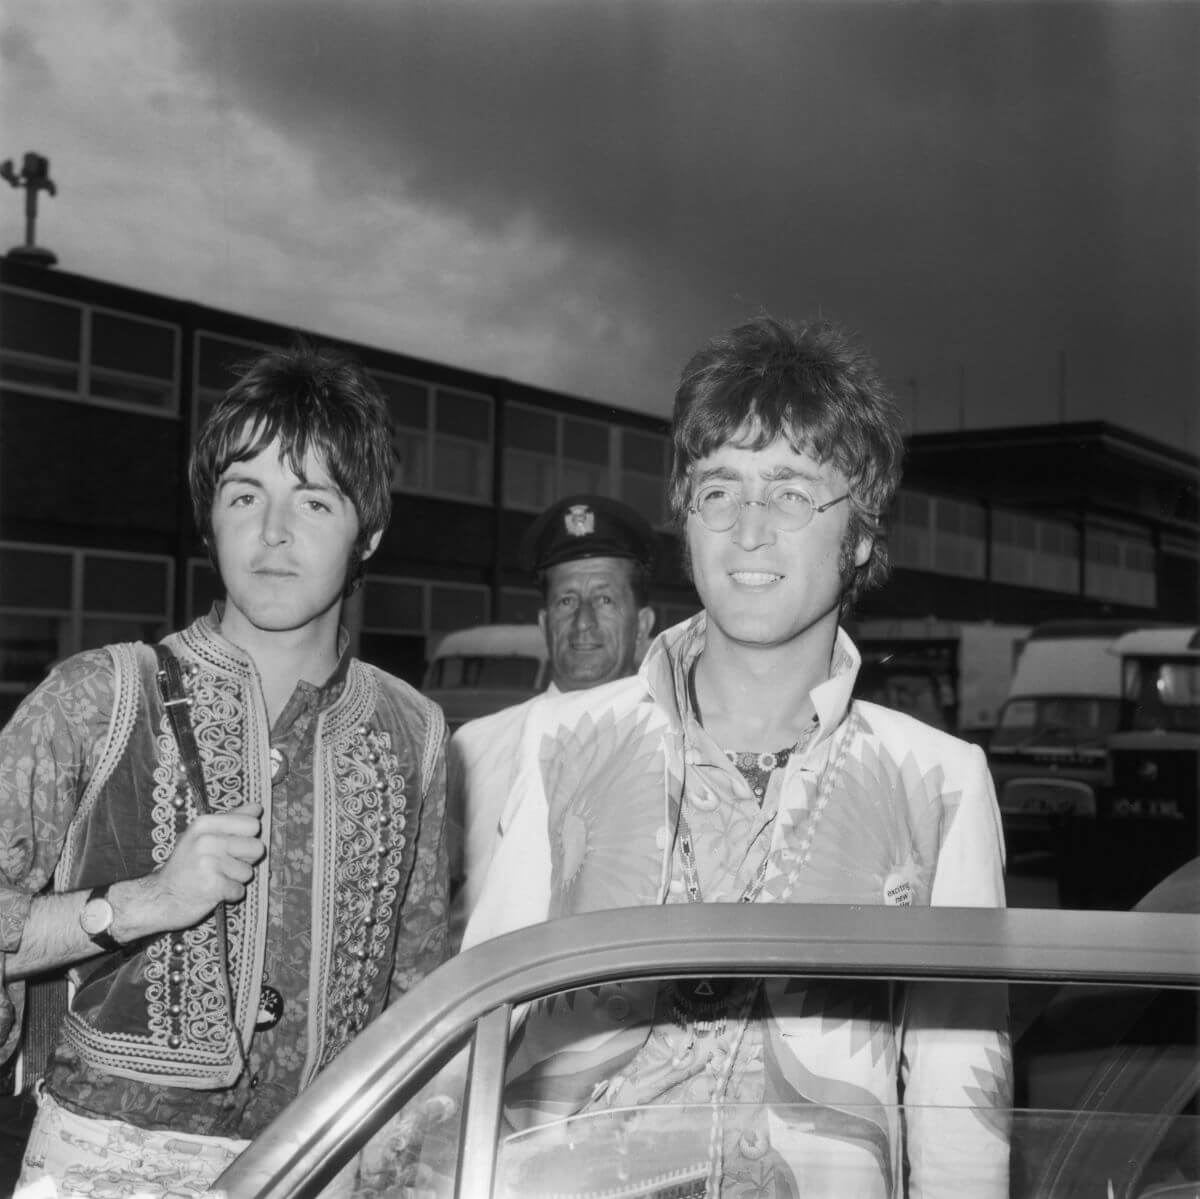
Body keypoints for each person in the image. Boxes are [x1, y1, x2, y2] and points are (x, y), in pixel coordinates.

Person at [463, 316, 1012, 1197]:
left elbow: (960, 1115)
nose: (749, 528)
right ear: (686, 518)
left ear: (862, 534)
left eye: (793, 492)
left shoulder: (938, 782)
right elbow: (480, 1023)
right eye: (720, 489)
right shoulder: (563, 742)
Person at [0, 344, 449, 1196]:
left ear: (370, 535)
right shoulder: (100, 694)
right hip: (109, 1162)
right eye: (245, 494)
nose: (272, 532)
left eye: (313, 500)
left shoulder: (413, 728)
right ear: (210, 519)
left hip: (327, 1159)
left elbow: (415, 993)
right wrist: (137, 903)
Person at [446, 494, 657, 927]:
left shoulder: (674, 742)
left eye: (604, 600)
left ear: (644, 626)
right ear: (544, 624)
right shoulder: (474, 747)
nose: (583, 622)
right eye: (566, 602)